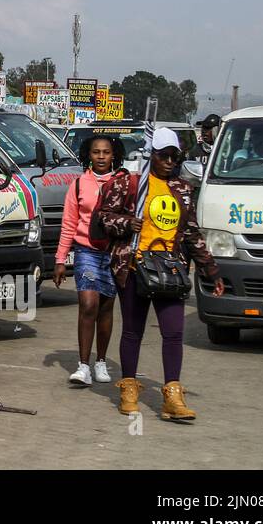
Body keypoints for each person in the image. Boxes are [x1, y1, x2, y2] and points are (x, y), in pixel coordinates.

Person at [96, 128, 224, 421]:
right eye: (164, 155)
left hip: (170, 268)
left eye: (174, 156)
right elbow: (103, 217)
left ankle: (173, 396)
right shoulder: (129, 183)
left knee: (174, 332)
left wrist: (210, 269)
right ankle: (129, 390)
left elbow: (191, 233)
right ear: (151, 154)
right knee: (133, 331)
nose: (169, 161)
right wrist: (128, 223)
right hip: (134, 267)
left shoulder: (182, 189)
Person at [54, 134, 122, 386]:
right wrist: (61, 259)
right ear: (88, 155)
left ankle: (101, 362)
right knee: (88, 303)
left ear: (114, 155)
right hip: (86, 252)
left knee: (105, 308)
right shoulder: (79, 184)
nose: (101, 157)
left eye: (106, 152)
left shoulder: (122, 182)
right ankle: (83, 366)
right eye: (96, 152)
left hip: (113, 254)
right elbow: (69, 224)